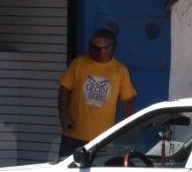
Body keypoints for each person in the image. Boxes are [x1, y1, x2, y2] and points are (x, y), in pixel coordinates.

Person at [57, 28, 137, 159]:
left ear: (111, 49)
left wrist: (129, 131)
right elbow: (64, 89)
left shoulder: (120, 70)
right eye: (92, 47)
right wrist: (63, 115)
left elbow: (128, 102)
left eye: (101, 48)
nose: (95, 52)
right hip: (73, 135)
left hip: (103, 139)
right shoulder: (79, 63)